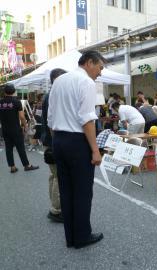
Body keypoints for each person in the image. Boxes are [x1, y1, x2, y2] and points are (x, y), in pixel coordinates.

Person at [48, 50, 104, 249]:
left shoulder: (59, 81)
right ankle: (81, 237)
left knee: (66, 189)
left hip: (59, 139)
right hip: (78, 142)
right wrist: (95, 150)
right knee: (82, 191)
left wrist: (58, 141)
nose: (100, 72)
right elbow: (87, 119)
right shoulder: (87, 82)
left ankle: (70, 236)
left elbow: (50, 117)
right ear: (89, 63)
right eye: (100, 67)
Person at [41, 68, 67, 223]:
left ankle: (54, 206)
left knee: (53, 175)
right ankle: (56, 209)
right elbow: (54, 123)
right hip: (53, 141)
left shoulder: (48, 95)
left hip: (48, 141)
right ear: (57, 79)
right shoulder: (54, 95)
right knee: (58, 176)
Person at [0, 84, 39, 173]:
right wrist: (25, 127)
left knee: (8, 148)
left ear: (4, 92)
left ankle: (12, 167)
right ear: (14, 92)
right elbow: (22, 117)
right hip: (15, 129)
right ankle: (27, 165)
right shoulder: (16, 102)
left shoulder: (1, 102)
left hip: (5, 129)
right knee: (20, 147)